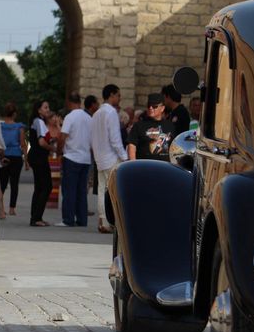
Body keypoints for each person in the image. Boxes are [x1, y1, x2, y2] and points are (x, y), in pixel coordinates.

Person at [90, 84, 127, 234]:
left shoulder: (97, 113)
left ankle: (103, 222)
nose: (119, 98)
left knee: (101, 190)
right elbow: (115, 139)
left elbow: (92, 138)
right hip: (111, 158)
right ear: (111, 95)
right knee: (113, 192)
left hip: (100, 158)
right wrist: (125, 157)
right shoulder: (111, 112)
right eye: (118, 95)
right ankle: (112, 222)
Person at [56, 93, 93, 227]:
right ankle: (82, 219)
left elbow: (62, 136)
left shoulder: (70, 117)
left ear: (69, 102)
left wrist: (59, 152)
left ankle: (68, 219)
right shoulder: (89, 118)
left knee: (69, 190)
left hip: (71, 157)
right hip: (85, 159)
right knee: (81, 191)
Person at [27, 100, 57, 227]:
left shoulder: (38, 121)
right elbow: (41, 142)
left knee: (40, 187)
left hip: (36, 156)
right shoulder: (39, 121)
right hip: (39, 157)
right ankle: (36, 217)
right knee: (46, 186)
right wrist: (53, 149)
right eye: (45, 107)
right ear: (39, 110)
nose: (47, 109)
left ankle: (36, 216)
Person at [128, 93, 175, 161]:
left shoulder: (170, 126)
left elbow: (174, 147)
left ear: (162, 108)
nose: (150, 108)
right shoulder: (139, 125)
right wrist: (133, 164)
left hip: (164, 167)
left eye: (154, 106)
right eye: (148, 106)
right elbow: (132, 145)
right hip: (144, 167)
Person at [0, 102, 27, 216]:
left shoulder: (0, 127)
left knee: (2, 183)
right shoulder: (19, 127)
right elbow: (23, 144)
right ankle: (12, 208)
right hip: (16, 156)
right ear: (14, 114)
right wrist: (27, 160)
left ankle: (1, 207)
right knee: (14, 183)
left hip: (4, 155)